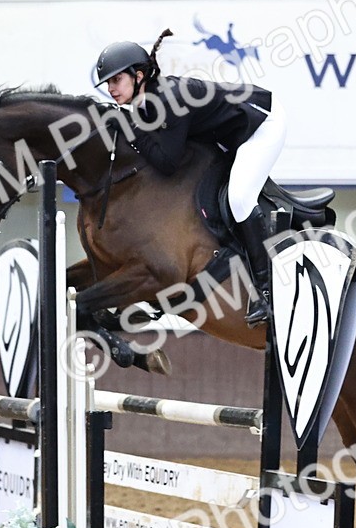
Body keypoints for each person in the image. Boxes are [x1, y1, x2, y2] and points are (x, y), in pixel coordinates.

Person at [94, 29, 286, 327]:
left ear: (140, 75)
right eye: (108, 82)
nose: (111, 89)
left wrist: (130, 129)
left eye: (116, 80)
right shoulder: (147, 102)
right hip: (227, 135)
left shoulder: (168, 99)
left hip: (262, 126)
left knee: (239, 198)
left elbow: (167, 163)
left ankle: (266, 289)